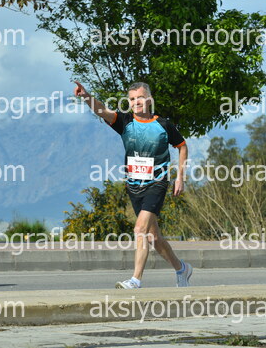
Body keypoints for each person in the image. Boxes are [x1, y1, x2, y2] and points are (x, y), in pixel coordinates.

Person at [74, 81, 192, 288]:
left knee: (139, 229)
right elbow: (101, 110)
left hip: (157, 183)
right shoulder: (125, 122)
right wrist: (86, 96)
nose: (136, 102)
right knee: (153, 237)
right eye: (131, 99)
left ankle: (135, 280)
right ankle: (182, 268)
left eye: (140, 98)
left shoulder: (164, 125)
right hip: (134, 186)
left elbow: (182, 146)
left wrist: (180, 177)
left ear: (149, 100)